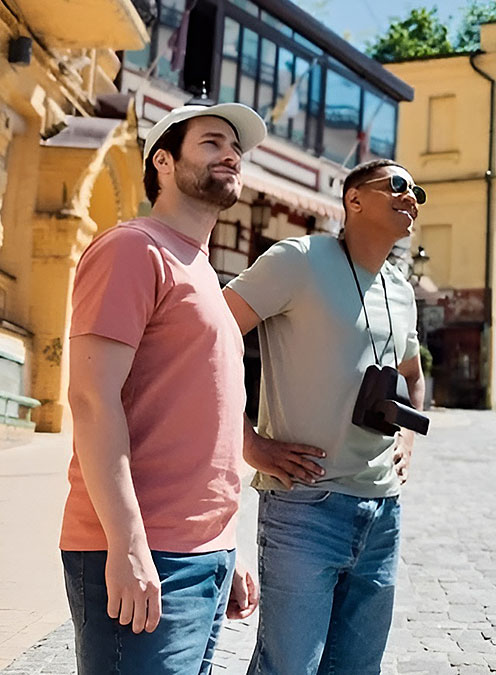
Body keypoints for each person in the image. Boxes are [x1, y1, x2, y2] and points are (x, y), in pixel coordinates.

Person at [61, 102, 267, 674]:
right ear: (164, 163)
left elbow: (209, 423)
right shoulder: (133, 248)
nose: (230, 154)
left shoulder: (202, 271)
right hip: (142, 550)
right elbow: (91, 398)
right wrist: (128, 545)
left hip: (204, 556)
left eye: (236, 148)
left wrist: (228, 547)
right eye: (210, 142)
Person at [223, 158, 426, 674]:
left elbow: (414, 376)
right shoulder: (297, 260)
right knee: (289, 667)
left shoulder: (401, 289)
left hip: (383, 510)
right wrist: (248, 441)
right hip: (304, 506)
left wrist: (407, 437)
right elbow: (212, 336)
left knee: (358, 669)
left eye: (418, 192)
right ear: (353, 199)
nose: (412, 199)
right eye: (399, 186)